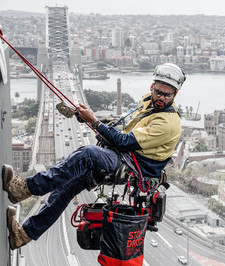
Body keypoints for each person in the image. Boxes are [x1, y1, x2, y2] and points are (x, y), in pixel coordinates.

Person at [3, 63, 185, 250]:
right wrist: (102, 122)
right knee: (64, 189)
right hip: (124, 157)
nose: (161, 98)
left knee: (87, 154)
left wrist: (95, 122)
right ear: (151, 87)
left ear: (175, 95)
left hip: (131, 166)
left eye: (167, 95)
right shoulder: (148, 100)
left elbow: (124, 142)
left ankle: (26, 188)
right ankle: (24, 235)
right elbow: (130, 129)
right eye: (158, 92)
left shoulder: (168, 123)